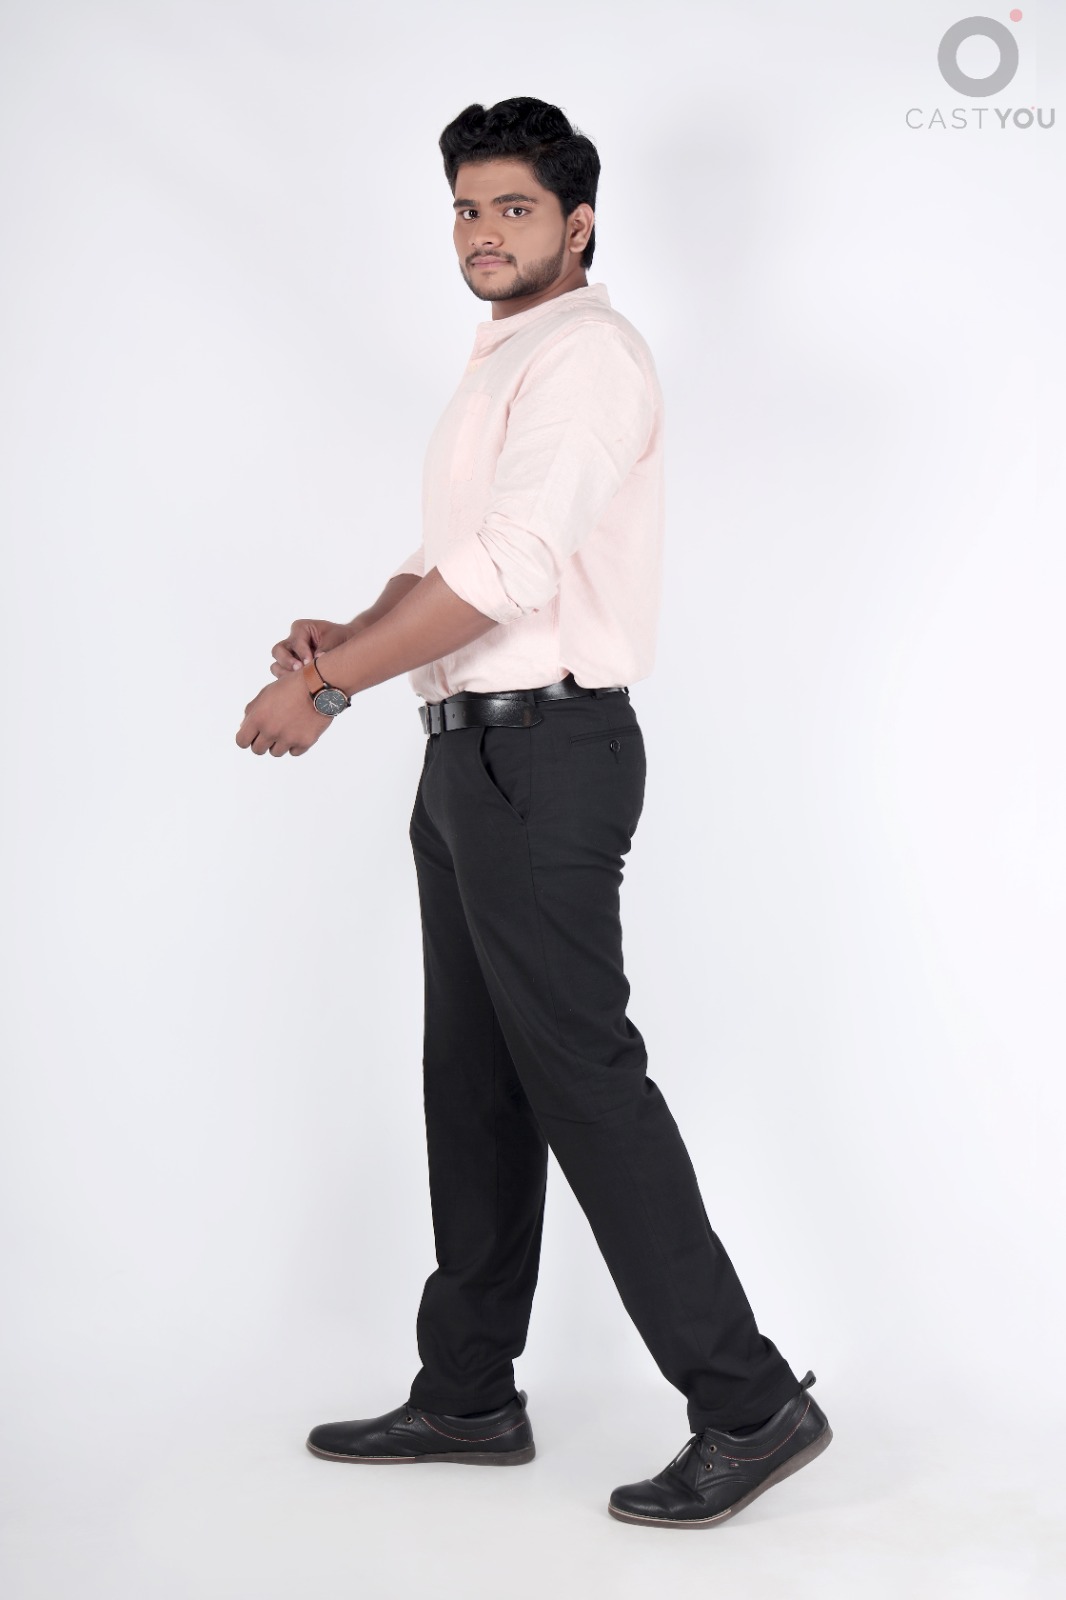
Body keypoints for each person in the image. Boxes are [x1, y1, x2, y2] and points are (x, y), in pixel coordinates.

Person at [235, 96, 832, 1529]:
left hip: (544, 756)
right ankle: (468, 1392)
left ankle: (749, 1404)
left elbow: (507, 573)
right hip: (471, 762)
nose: (482, 232)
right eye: (465, 207)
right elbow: (450, 555)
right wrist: (358, 631)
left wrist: (326, 691)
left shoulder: (586, 357)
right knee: (474, 1082)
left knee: (583, 1082)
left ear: (579, 223)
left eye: (512, 207)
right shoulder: (506, 359)